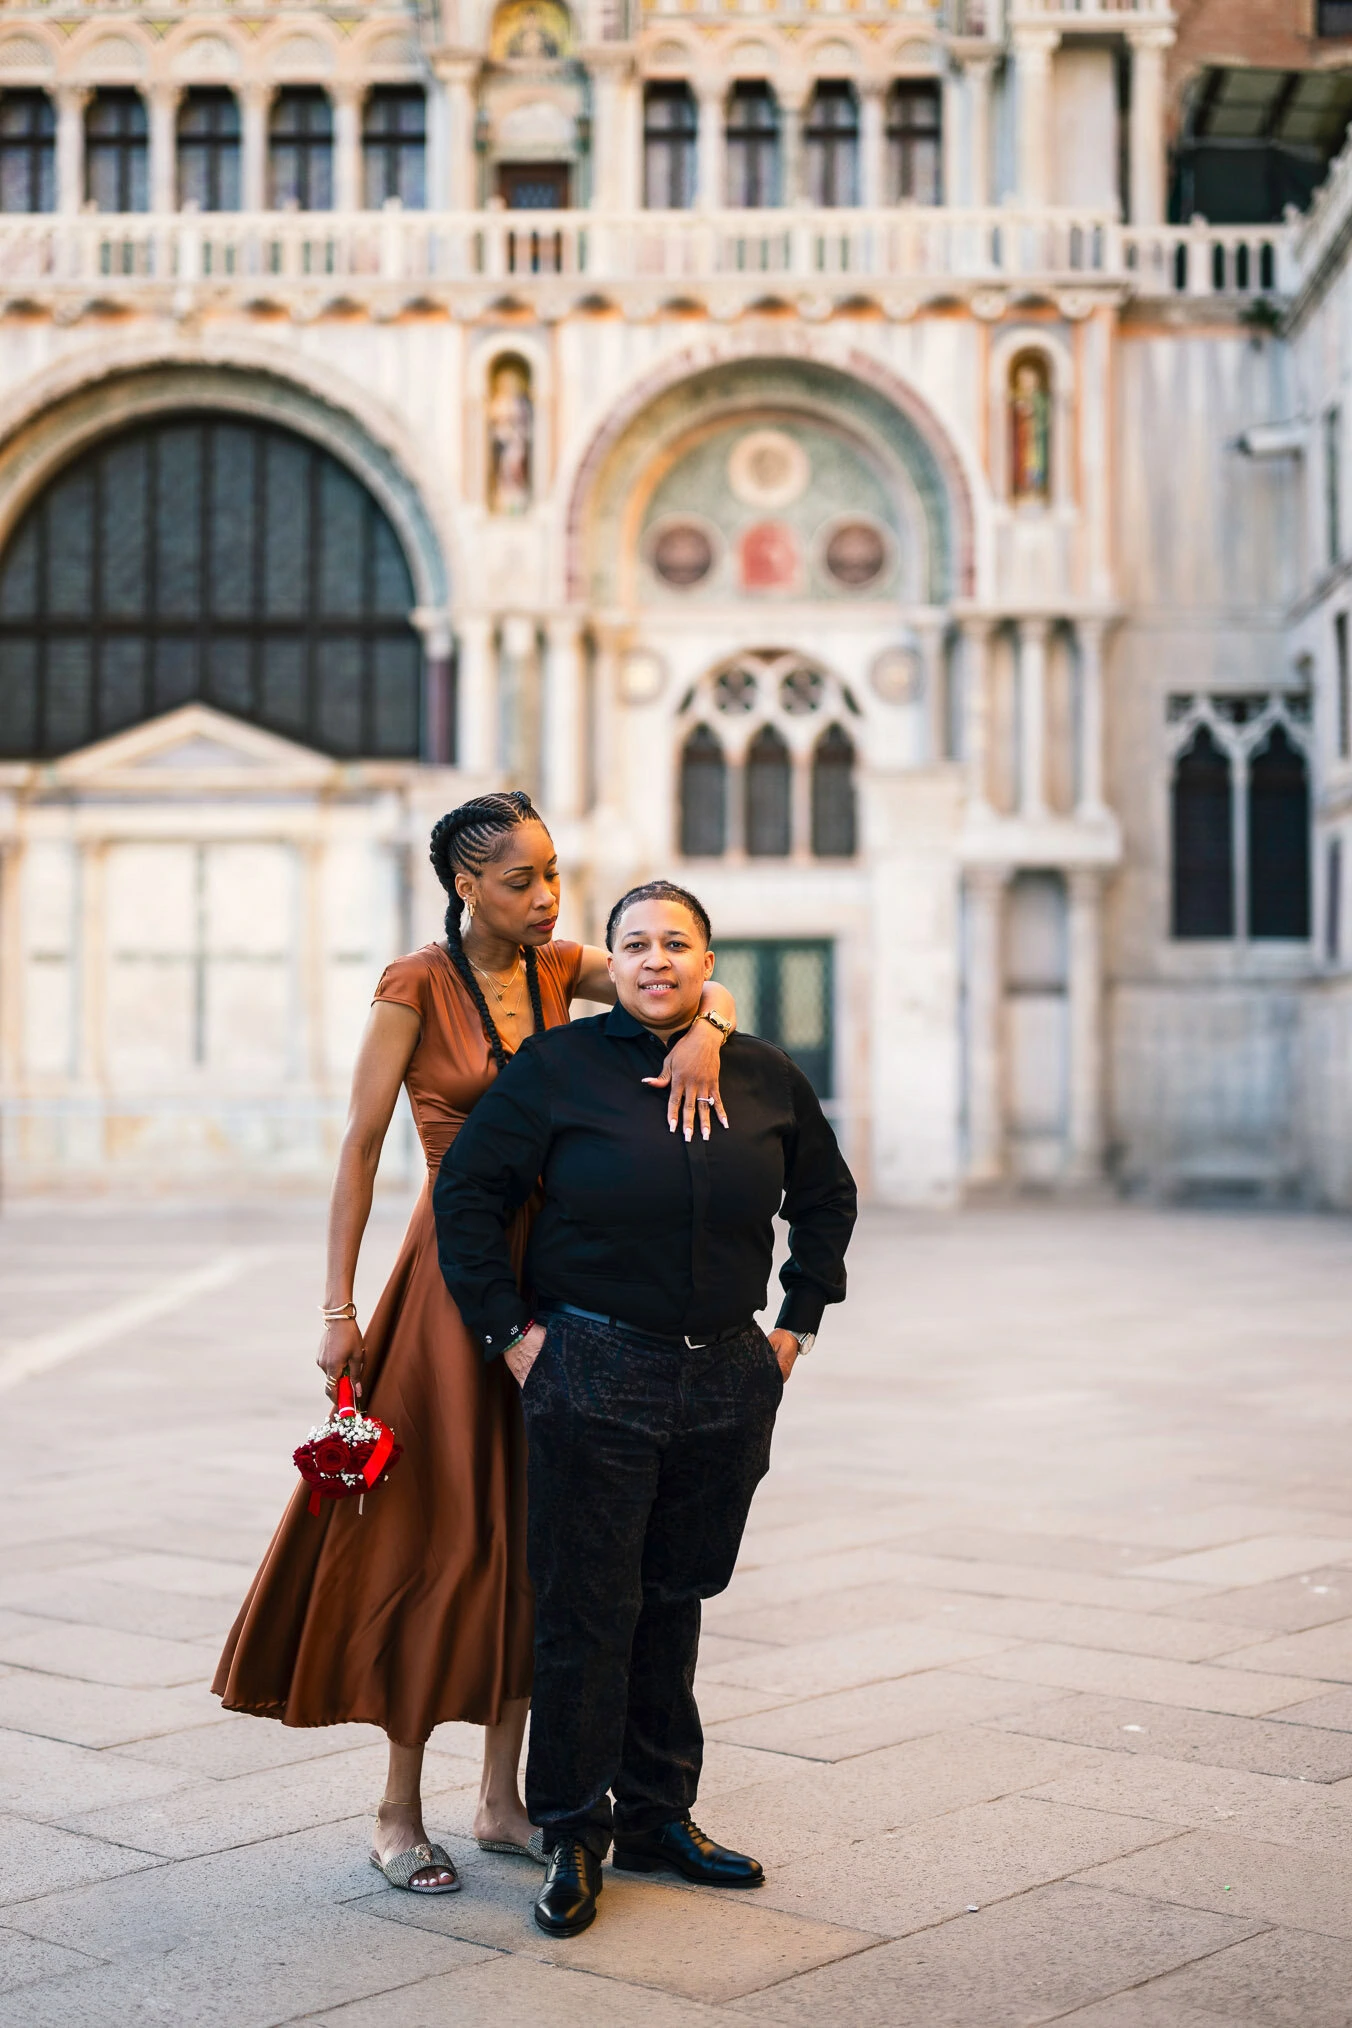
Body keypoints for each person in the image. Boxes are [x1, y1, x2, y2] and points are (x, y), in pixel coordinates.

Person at [213, 800, 736, 1895]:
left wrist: (705, 1035)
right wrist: (335, 1308)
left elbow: (687, 977)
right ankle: (396, 1810)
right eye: (521, 882)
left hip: (566, 1271)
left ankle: (502, 1799)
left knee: (542, 1531)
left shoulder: (557, 965)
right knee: (438, 1532)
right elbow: (359, 1147)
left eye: (553, 876)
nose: (546, 899)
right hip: (454, 1273)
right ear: (466, 887)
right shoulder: (413, 984)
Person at [434, 879, 857, 1936]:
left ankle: (661, 1816)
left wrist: (793, 1326)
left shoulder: (761, 1073)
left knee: (674, 1598)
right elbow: (468, 1196)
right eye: (634, 945)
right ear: (609, 964)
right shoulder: (557, 1068)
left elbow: (825, 1197)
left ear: (707, 963)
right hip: (589, 1364)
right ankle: (573, 1830)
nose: (655, 960)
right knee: (586, 1609)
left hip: (725, 1373)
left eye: (676, 944)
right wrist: (513, 1337)